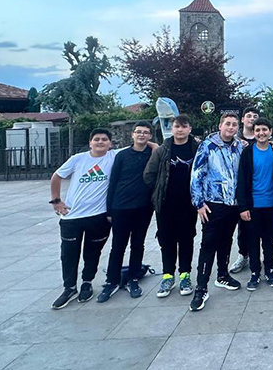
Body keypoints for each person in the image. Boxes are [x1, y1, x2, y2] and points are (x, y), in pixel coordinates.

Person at [49, 129, 118, 309]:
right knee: (68, 254)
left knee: (92, 252)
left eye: (104, 139)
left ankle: (87, 282)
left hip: (99, 216)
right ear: (90, 143)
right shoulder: (78, 159)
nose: (100, 142)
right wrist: (56, 201)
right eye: (96, 139)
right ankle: (69, 287)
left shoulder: (113, 157)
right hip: (72, 216)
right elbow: (57, 176)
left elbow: (143, 144)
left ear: (110, 144)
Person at [188, 113, 244, 312]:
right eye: (227, 123)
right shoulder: (207, 146)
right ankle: (201, 287)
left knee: (226, 240)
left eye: (234, 124)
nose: (231, 127)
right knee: (209, 244)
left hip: (233, 203)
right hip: (213, 203)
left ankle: (222, 274)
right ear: (220, 125)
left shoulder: (239, 146)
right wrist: (198, 203)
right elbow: (197, 174)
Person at [97, 121, 156, 302]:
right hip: (121, 206)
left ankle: (133, 278)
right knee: (118, 245)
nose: (141, 135)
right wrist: (109, 210)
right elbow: (113, 182)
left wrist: (152, 146)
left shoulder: (152, 155)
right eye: (138, 132)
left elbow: (161, 150)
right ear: (132, 134)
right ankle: (112, 281)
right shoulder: (122, 155)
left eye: (145, 132)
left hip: (143, 207)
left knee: (138, 244)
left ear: (150, 136)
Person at [143, 114, 199, 298]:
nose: (180, 130)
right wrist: (159, 192)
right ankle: (168, 275)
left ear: (189, 129)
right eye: (177, 126)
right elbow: (149, 175)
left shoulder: (197, 148)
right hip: (166, 204)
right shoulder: (162, 150)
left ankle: (185, 275)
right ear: (172, 129)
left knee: (186, 239)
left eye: (183, 126)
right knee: (166, 240)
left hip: (189, 204)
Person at [237, 118, 273, 291]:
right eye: (258, 130)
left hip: (272, 204)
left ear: (270, 132)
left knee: (269, 239)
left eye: (264, 130)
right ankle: (254, 272)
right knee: (252, 240)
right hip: (253, 205)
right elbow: (241, 180)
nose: (261, 133)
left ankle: (269, 270)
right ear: (254, 133)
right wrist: (243, 207)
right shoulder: (247, 153)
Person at [229, 106, 260, 274]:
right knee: (243, 225)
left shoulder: (263, 138)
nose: (252, 118)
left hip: (261, 190)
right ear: (243, 119)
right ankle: (243, 254)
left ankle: (268, 254)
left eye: (255, 116)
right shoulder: (233, 140)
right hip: (240, 190)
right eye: (249, 115)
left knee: (266, 225)